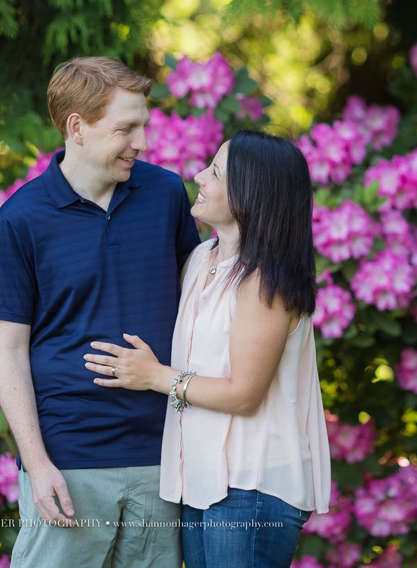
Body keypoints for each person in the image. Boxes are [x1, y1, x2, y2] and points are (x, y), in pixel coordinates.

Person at [0, 57, 201, 568]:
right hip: (70, 462)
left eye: (143, 125)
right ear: (76, 128)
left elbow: (201, 302)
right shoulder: (20, 220)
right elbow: (8, 350)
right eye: (125, 128)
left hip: (161, 458)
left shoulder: (166, 194)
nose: (141, 142)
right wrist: (38, 466)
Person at [83, 130, 331, 568]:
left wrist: (154, 376)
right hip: (203, 482)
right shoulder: (201, 260)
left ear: (250, 194)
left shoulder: (263, 282)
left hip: (253, 488)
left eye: (215, 172)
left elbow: (244, 393)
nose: (198, 176)